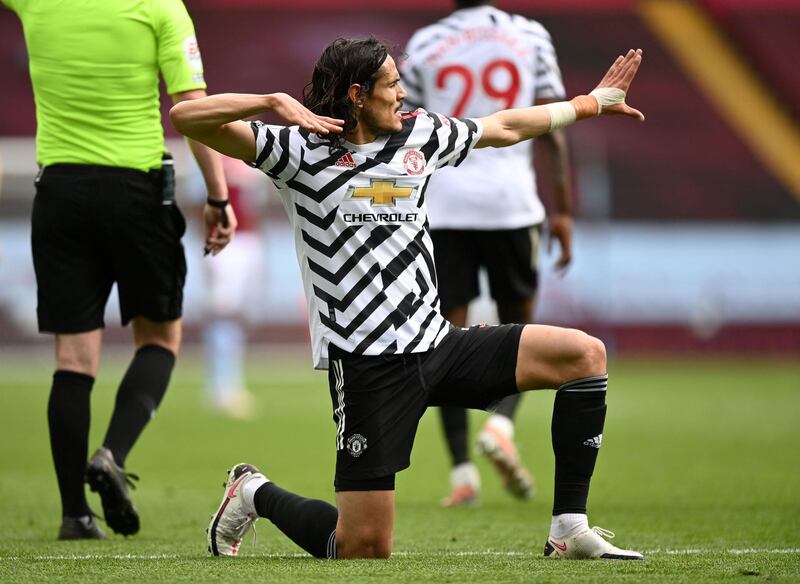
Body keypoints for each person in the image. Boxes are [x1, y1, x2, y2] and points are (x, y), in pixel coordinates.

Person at [171, 37, 645, 560]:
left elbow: (504, 126)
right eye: (392, 84)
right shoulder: (297, 151)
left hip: (438, 344)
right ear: (356, 95)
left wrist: (590, 103)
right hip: (367, 366)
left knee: (584, 355)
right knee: (363, 548)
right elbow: (189, 117)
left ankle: (569, 528)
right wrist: (269, 102)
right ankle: (252, 492)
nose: (402, 93)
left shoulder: (422, 134)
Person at [2, 0, 236, 539]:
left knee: (73, 357)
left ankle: (73, 515)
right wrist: (218, 197)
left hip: (59, 193)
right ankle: (112, 453)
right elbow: (193, 108)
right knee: (159, 339)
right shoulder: (161, 9)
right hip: (137, 191)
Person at [401, 0, 575, 507]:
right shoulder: (529, 35)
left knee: (441, 341)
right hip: (512, 205)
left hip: (446, 205)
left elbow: (401, 121)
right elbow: (550, 125)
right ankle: (500, 425)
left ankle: (462, 473)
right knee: (521, 329)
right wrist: (562, 209)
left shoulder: (426, 43)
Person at [191, 156, 266, 419]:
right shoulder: (209, 152)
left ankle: (231, 382)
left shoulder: (248, 148)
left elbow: (257, 203)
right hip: (224, 245)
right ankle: (221, 386)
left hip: (249, 243)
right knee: (224, 312)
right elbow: (196, 201)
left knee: (242, 315)